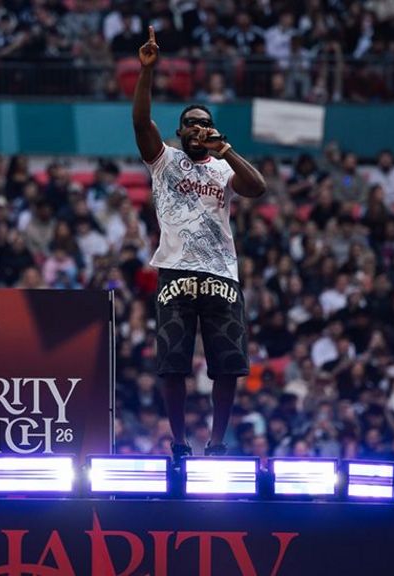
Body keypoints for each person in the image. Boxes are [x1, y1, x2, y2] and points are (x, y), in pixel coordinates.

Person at [132, 27, 267, 458]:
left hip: (220, 272)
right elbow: (140, 121)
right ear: (180, 129)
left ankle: (218, 442)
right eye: (191, 123)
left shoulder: (225, 168)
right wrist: (146, 72)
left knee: (226, 364)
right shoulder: (164, 159)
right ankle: (178, 442)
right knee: (173, 364)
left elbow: (257, 188)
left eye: (205, 124)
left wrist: (225, 150)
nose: (198, 129)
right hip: (175, 269)